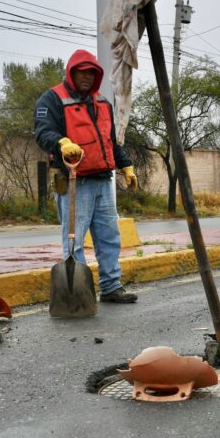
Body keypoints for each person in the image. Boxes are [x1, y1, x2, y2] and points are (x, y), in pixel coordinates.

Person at [34, 49, 139, 304]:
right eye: (82, 72)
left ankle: (111, 286)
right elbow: (42, 131)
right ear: (72, 73)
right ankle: (78, 293)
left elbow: (110, 142)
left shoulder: (102, 102)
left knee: (109, 237)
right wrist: (61, 143)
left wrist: (126, 165)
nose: (87, 78)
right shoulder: (52, 99)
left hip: (103, 180)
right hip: (73, 181)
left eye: (92, 73)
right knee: (74, 241)